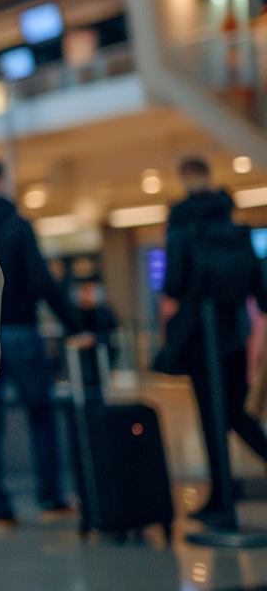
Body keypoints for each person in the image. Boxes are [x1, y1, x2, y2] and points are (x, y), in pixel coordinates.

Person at [0, 161, 87, 530]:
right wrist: (75, 325)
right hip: (21, 332)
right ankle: (50, 499)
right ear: (1, 180)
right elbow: (41, 279)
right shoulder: (17, 224)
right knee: (41, 415)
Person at [159, 155, 267, 525]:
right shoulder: (236, 229)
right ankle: (223, 494)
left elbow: (174, 284)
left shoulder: (181, 227)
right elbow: (260, 290)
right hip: (235, 331)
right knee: (235, 410)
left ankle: (221, 496)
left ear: (185, 180)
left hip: (200, 335)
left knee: (211, 415)